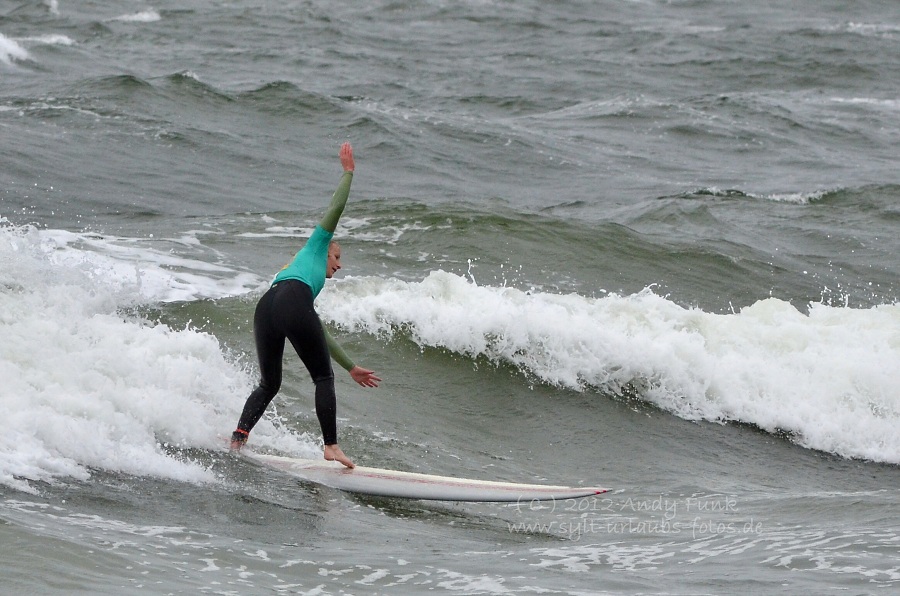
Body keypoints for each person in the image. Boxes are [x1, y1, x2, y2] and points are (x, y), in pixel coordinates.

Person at [230, 142, 380, 468]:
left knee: (269, 384)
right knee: (322, 379)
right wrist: (348, 173)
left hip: (267, 306)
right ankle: (331, 446)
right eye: (337, 257)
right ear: (326, 249)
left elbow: (314, 326)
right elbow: (335, 209)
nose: (338, 265)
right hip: (290, 301)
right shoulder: (316, 246)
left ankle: (238, 438)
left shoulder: (294, 271)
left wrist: (350, 366)